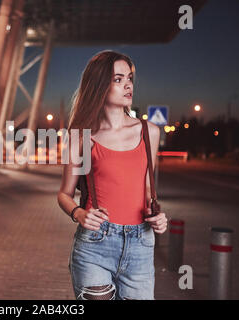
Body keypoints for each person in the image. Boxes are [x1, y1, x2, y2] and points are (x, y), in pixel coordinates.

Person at [57, 50, 168, 300]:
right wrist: (79, 213)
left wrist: (157, 216)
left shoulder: (148, 131)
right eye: (118, 79)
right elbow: (64, 194)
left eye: (129, 78)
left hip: (141, 245)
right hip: (95, 245)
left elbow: (148, 190)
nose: (128, 85)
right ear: (99, 85)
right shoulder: (80, 135)